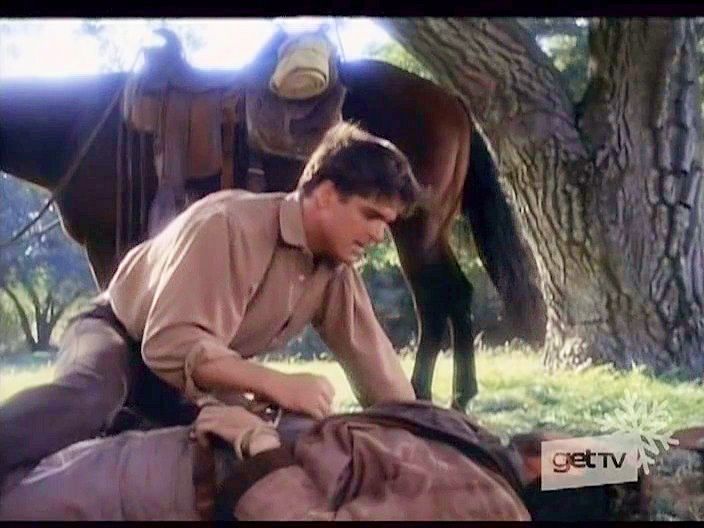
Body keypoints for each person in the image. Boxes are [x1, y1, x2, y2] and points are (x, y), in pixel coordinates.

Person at [0, 122, 422, 482]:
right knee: (90, 398)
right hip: (120, 332)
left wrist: (428, 436)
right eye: (371, 215)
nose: (379, 235)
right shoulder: (230, 225)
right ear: (326, 195)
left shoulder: (336, 272)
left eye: (387, 223)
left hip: (189, 381)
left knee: (272, 445)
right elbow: (169, 343)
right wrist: (277, 384)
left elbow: (381, 373)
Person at [0, 401, 533, 521]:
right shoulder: (486, 453)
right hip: (180, 454)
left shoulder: (491, 506)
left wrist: (260, 444)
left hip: (186, 487)